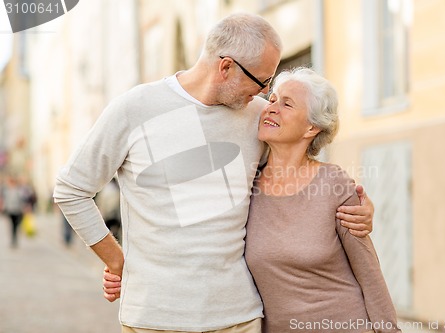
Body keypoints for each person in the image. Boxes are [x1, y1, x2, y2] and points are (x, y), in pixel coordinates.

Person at [54, 13, 373, 333]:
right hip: (155, 318)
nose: (264, 92)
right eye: (262, 81)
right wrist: (117, 260)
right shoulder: (135, 107)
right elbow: (71, 189)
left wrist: (353, 206)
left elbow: (299, 175)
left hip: (238, 318)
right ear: (226, 67)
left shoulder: (259, 117)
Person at [243, 67, 400, 332]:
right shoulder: (246, 185)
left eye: (287, 103)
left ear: (311, 127)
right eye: (272, 100)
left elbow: (369, 273)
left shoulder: (334, 184)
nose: (271, 108)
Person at [1, 176, 26, 248]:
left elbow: (21, 199)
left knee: (16, 225)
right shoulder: (6, 190)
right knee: (12, 225)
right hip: (10, 210)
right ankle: (13, 239)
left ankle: (15, 238)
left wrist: (23, 208)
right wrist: (4, 208)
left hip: (17, 210)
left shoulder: (18, 190)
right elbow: (5, 200)